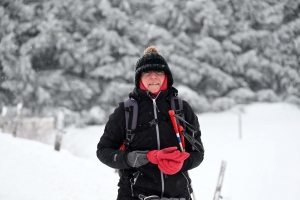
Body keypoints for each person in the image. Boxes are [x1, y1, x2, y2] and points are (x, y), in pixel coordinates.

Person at [97, 46, 204, 200]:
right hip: (134, 195)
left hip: (178, 195)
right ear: (139, 77)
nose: (153, 77)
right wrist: (132, 158)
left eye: (159, 72)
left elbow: (198, 153)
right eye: (147, 72)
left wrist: (181, 163)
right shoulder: (126, 110)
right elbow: (103, 151)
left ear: (166, 76)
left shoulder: (181, 108)